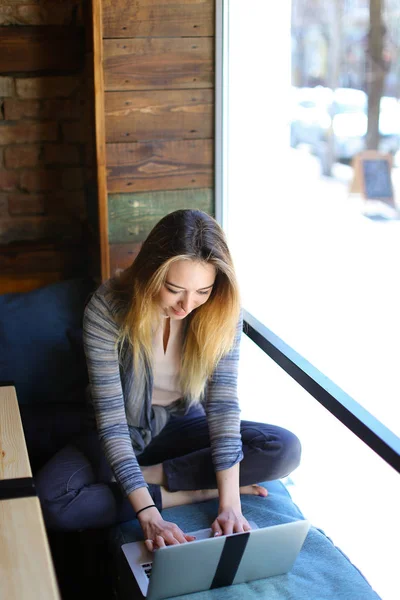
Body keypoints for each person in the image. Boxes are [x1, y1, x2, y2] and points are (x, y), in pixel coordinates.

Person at [36, 209, 301, 551]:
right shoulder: (107, 308)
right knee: (51, 500)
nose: (187, 305)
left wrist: (230, 503)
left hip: (180, 422)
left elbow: (221, 405)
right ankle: (189, 492)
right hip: (123, 430)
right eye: (174, 289)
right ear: (150, 272)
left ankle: (150, 475)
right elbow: (113, 424)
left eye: (202, 291)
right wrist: (148, 511)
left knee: (283, 448)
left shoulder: (221, 310)